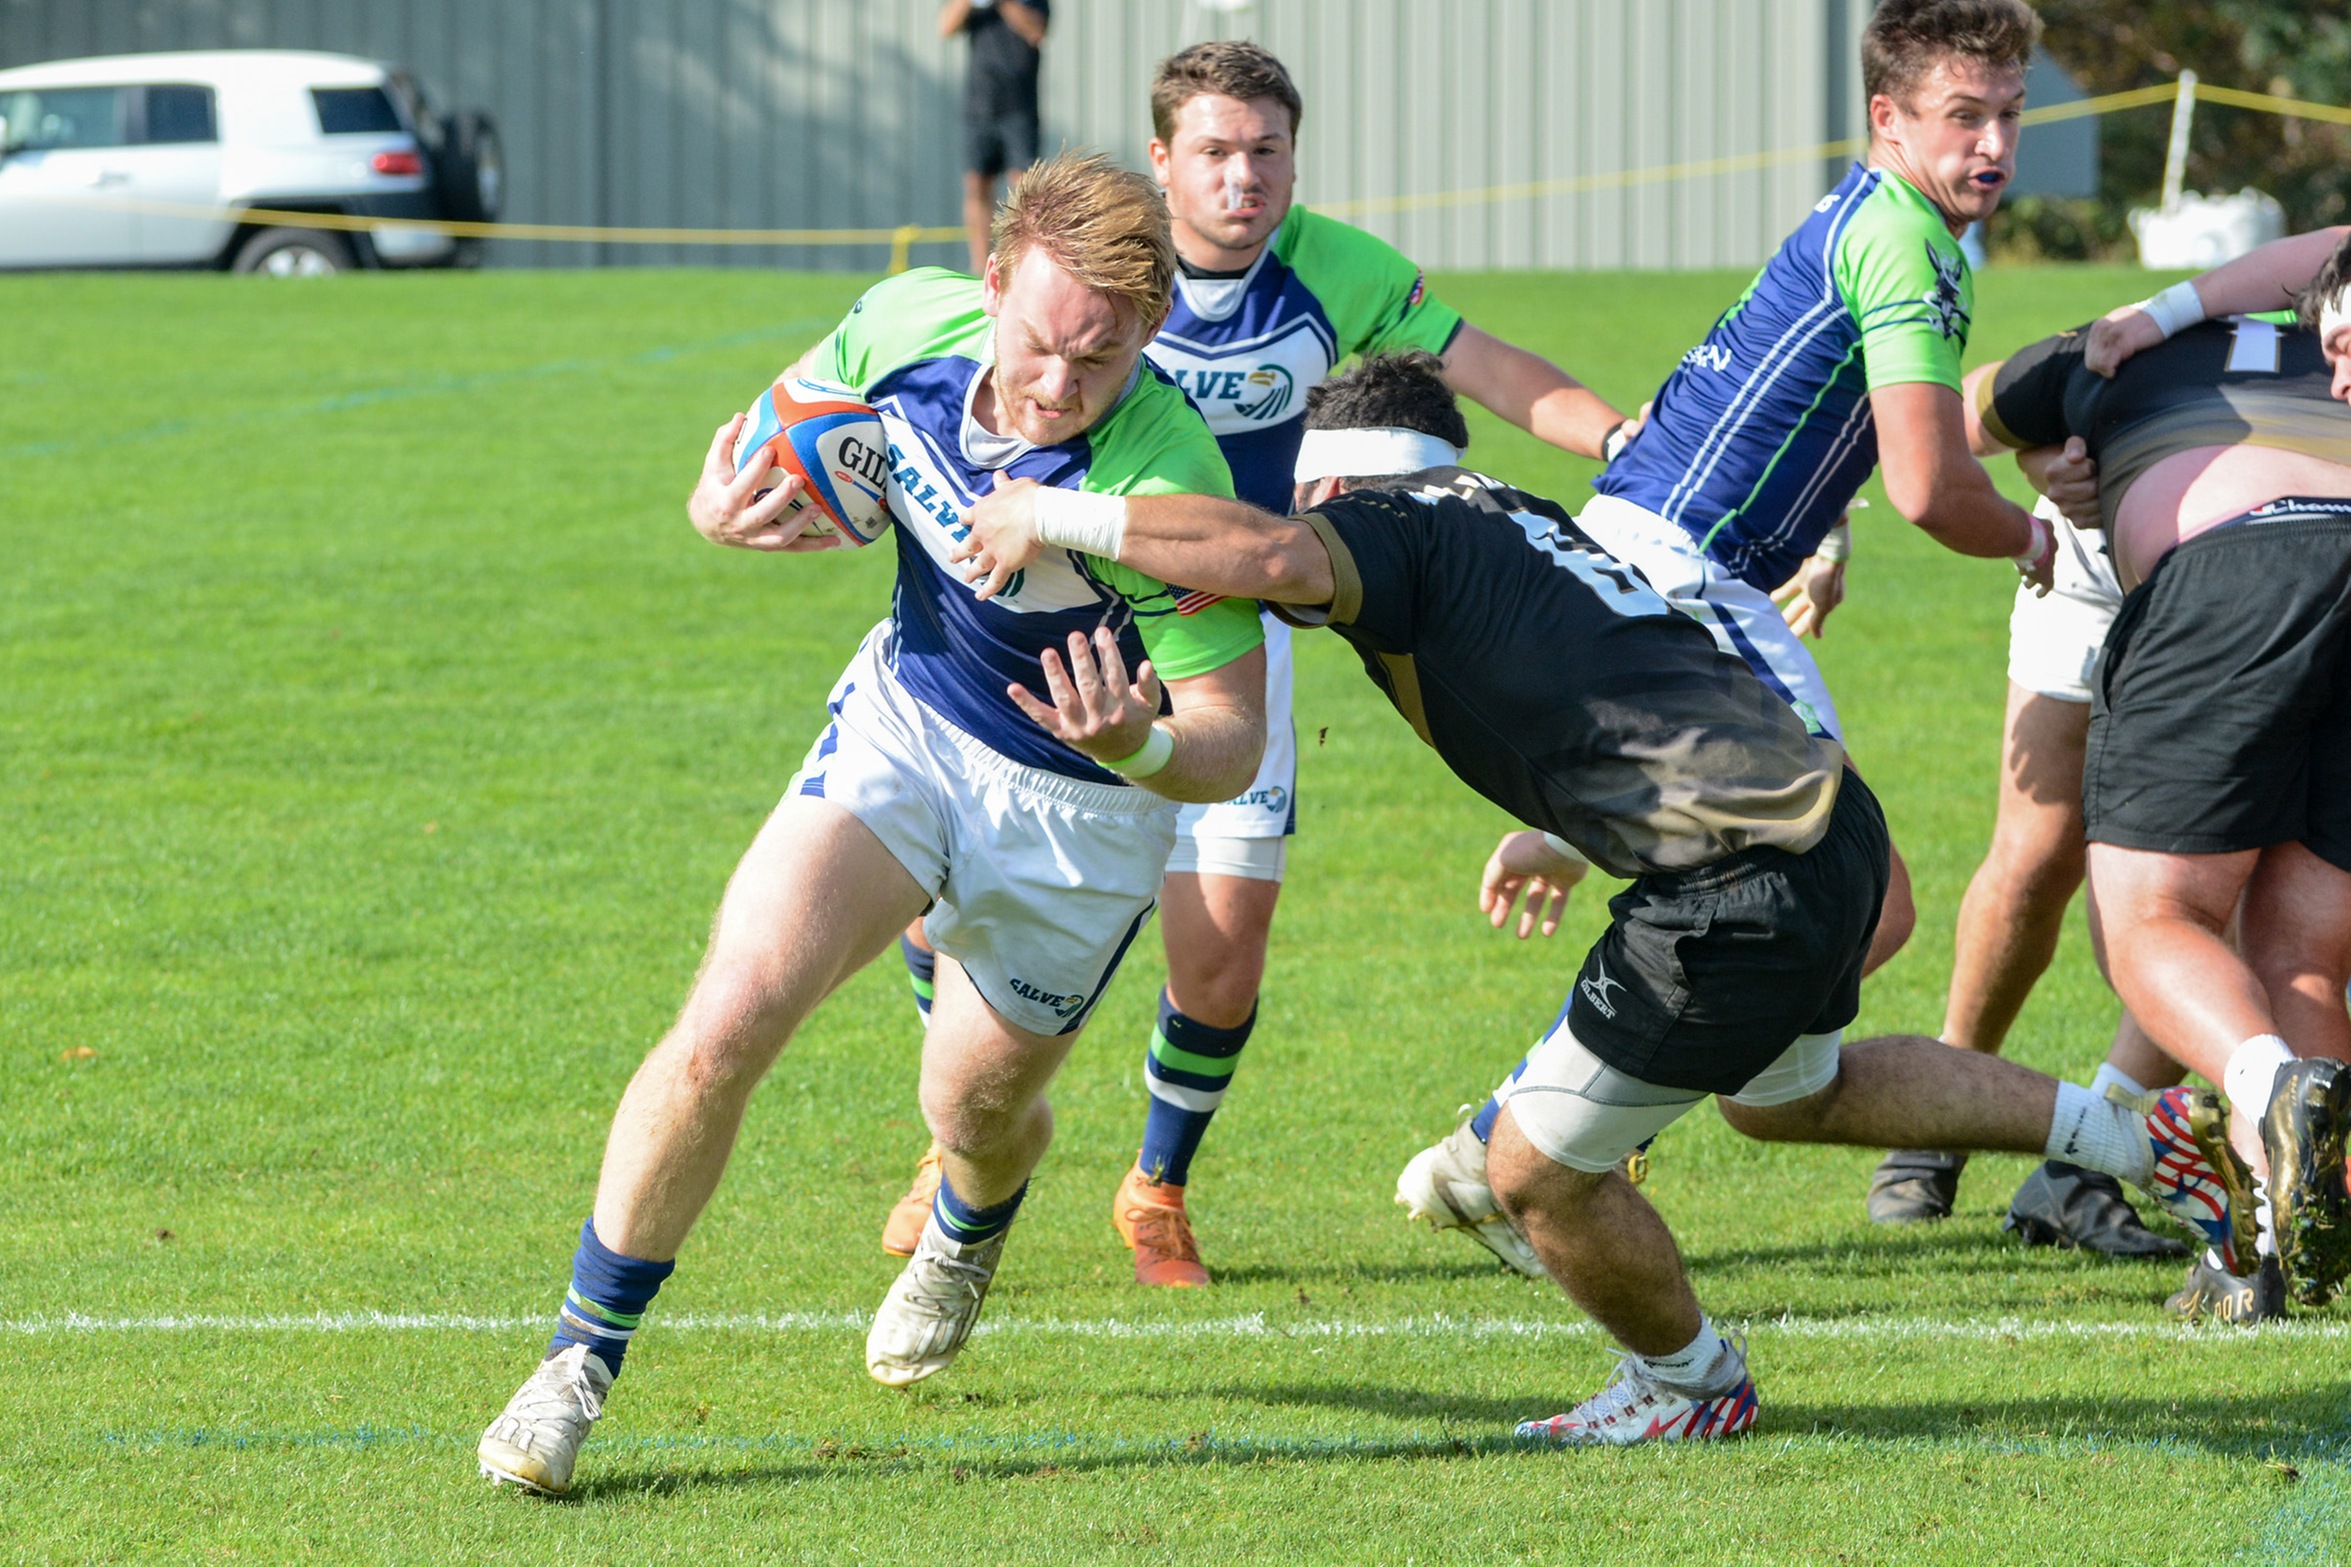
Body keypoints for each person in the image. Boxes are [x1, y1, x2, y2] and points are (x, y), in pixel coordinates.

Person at [952, 350, 2245, 1444]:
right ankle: (2146, 1139)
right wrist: (1562, 836)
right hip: (1816, 815)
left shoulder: (1387, 523)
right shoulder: (1506, 509)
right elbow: (1605, 676)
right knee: (1790, 1091)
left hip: (1729, 874)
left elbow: (1272, 554)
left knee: (1530, 1175)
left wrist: (1050, 515)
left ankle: (1689, 1385)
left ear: (1335, 480)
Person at [474, 151, 1268, 1498]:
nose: (1056, 386)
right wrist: (715, 503)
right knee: (726, 1018)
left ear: (1145, 336)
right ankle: (574, 1363)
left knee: (970, 1104)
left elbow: (1229, 735)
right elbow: (783, 440)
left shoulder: (1163, 468)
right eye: (1038, 343)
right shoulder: (905, 323)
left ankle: (971, 1213)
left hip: (1075, 815)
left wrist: (1131, 738)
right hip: (905, 721)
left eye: (1099, 358)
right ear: (991, 280)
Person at [884, 40, 1630, 1289]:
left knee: (1222, 952)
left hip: (1223, 649)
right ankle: (952, 1143)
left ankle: (1156, 1186)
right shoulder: (1093, 287)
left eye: (1266, 151)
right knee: (941, 896)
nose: (1243, 178)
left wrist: (1622, 436)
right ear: (1163, 160)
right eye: (1215, 153)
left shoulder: (1335, 272)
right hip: (1046, 634)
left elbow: (1488, 369)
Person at [1394, 0, 2064, 1270]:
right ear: (1887, 117)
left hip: (1651, 552)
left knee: (1826, 918)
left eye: (2008, 115)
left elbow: (1826, 415)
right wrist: (2033, 537)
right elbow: (1930, 485)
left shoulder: (1883, 228)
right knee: (1857, 900)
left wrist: (1826, 529)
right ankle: (1528, 1137)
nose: (1991, 145)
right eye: (1960, 116)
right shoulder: (1903, 242)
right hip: (1683, 574)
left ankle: (1552, 1107)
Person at [1967, 241, 2351, 1315]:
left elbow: (1941, 431)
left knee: (2146, 924)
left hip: (2233, 567)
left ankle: (2272, 1093)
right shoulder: (2319, 339)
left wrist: (2032, 469)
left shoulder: (2097, 346)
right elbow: (2319, 249)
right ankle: (2266, 1263)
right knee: (2301, 953)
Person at [939, 0, 1049, 276]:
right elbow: (946, 27)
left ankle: (1022, 260)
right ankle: (979, 266)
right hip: (979, 107)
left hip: (1019, 108)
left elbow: (1036, 31)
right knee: (977, 184)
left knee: (1024, 186)